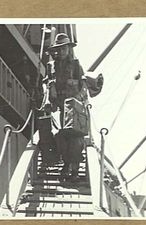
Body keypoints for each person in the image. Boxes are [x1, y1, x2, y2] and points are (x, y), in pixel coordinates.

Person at [45, 33, 89, 181]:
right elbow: (46, 82)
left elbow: (83, 86)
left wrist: (81, 100)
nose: (61, 52)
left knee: (75, 137)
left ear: (69, 49)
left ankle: (75, 171)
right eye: (58, 49)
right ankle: (66, 164)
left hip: (73, 105)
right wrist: (49, 88)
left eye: (64, 48)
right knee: (60, 137)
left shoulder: (76, 65)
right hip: (58, 106)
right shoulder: (51, 66)